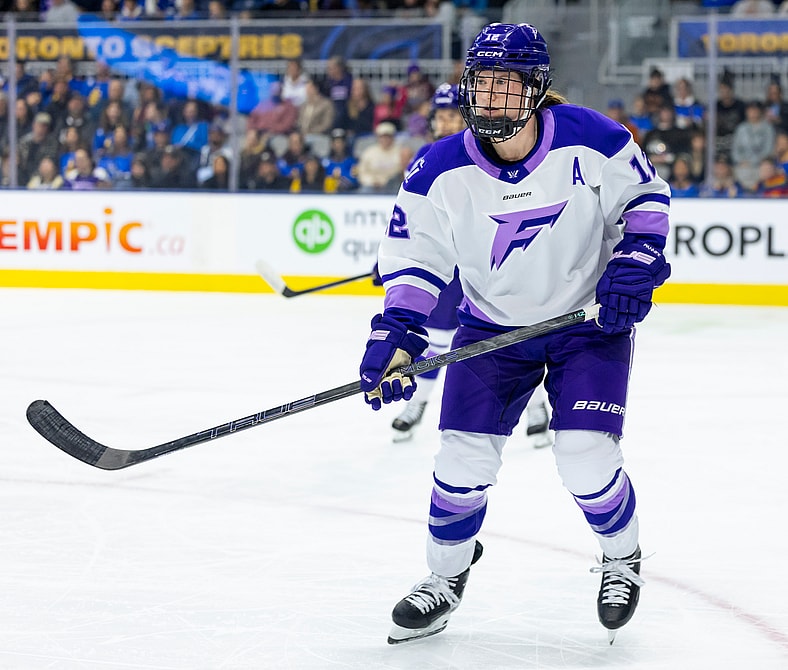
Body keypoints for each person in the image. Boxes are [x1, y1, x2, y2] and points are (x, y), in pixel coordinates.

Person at [357, 22, 671, 645]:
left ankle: (622, 557)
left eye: (507, 84)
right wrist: (399, 331)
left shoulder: (593, 138)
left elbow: (644, 200)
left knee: (584, 454)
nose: (491, 98)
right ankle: (444, 577)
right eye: (482, 84)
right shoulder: (436, 169)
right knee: (460, 460)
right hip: (490, 330)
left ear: (536, 88)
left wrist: (635, 260)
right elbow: (415, 258)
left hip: (588, 324)